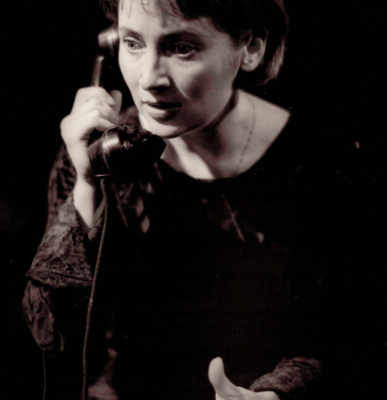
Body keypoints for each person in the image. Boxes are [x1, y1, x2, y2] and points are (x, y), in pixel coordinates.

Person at [22, 0, 329, 399]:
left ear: (250, 49)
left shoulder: (316, 161)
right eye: (132, 43)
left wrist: (275, 394)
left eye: (182, 48)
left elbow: (346, 331)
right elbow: (49, 336)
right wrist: (86, 182)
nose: (149, 78)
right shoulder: (101, 154)